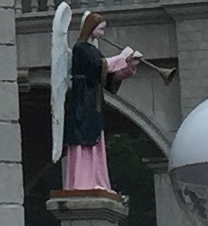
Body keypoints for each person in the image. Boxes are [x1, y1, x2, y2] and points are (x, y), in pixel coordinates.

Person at [60, 12, 168, 194]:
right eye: (101, 29)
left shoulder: (93, 50)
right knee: (83, 136)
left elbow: (108, 78)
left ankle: (96, 178)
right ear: (90, 28)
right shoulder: (81, 48)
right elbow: (98, 66)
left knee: (95, 135)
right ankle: (82, 181)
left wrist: (129, 66)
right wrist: (122, 58)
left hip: (93, 100)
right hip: (81, 100)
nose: (103, 33)